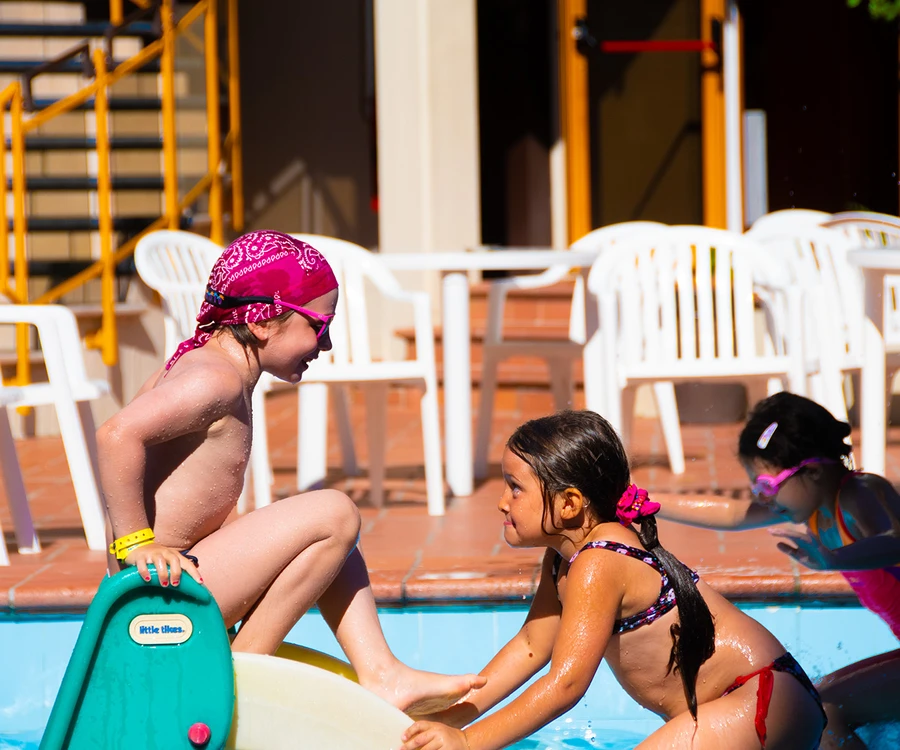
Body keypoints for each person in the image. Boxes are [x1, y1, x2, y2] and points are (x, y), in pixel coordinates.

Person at [97, 230, 484, 715]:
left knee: (330, 543)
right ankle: (239, 671)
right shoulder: (212, 379)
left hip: (177, 581)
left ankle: (383, 673)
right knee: (334, 514)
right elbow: (115, 436)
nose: (325, 343)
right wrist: (137, 545)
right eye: (319, 326)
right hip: (154, 602)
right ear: (263, 322)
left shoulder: (212, 368)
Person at [400, 410, 827, 750]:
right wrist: (449, 722)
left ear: (569, 503)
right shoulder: (564, 559)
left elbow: (565, 684)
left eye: (515, 488)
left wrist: (468, 742)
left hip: (759, 697)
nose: (500, 502)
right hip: (745, 701)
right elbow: (530, 647)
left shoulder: (600, 562)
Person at [652, 391, 900, 749]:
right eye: (756, 487)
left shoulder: (859, 495)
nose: (763, 497)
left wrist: (835, 559)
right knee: (812, 699)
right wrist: (645, 500)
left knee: (824, 709)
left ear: (813, 471)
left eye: (767, 485)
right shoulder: (813, 503)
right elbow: (731, 514)